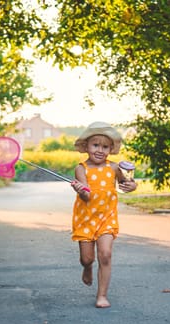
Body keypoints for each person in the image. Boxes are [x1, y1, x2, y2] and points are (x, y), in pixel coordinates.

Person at [70, 121, 137, 308]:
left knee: (105, 254)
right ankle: (87, 267)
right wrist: (80, 189)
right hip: (85, 219)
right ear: (86, 147)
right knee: (87, 258)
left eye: (105, 146)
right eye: (95, 145)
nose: (100, 150)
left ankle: (102, 296)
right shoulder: (81, 169)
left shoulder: (114, 168)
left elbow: (127, 184)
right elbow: (87, 196)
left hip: (106, 218)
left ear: (111, 149)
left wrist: (132, 186)